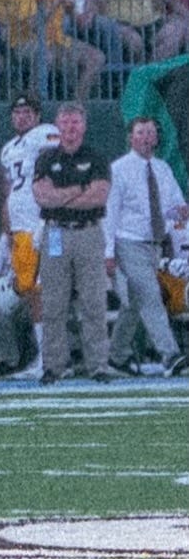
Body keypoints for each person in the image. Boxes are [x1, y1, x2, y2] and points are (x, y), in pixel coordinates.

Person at [31, 101, 113, 383]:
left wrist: (62, 195)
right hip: (55, 232)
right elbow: (42, 197)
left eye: (75, 122)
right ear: (57, 125)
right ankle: (53, 366)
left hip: (88, 232)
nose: (70, 128)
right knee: (53, 303)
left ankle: (98, 365)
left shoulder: (97, 157)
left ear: (84, 126)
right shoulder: (45, 158)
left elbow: (99, 196)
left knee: (93, 302)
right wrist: (79, 189)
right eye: (65, 122)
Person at [105, 116, 189, 377]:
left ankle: (116, 357)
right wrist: (108, 252)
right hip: (128, 240)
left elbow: (173, 206)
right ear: (131, 137)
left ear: (156, 138)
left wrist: (180, 212)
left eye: (150, 133)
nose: (145, 137)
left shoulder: (162, 168)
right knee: (151, 294)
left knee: (134, 302)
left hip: (154, 243)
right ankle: (170, 355)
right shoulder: (119, 169)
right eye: (140, 132)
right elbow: (110, 213)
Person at [0, 91, 61, 381]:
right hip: (19, 228)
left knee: (40, 290)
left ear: (37, 116)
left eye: (27, 112)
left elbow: (54, 168)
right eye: (17, 112)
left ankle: (48, 357)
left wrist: (48, 215)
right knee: (28, 289)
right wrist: (6, 228)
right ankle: (43, 355)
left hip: (39, 223)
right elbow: (9, 190)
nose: (22, 117)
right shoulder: (9, 147)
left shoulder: (45, 134)